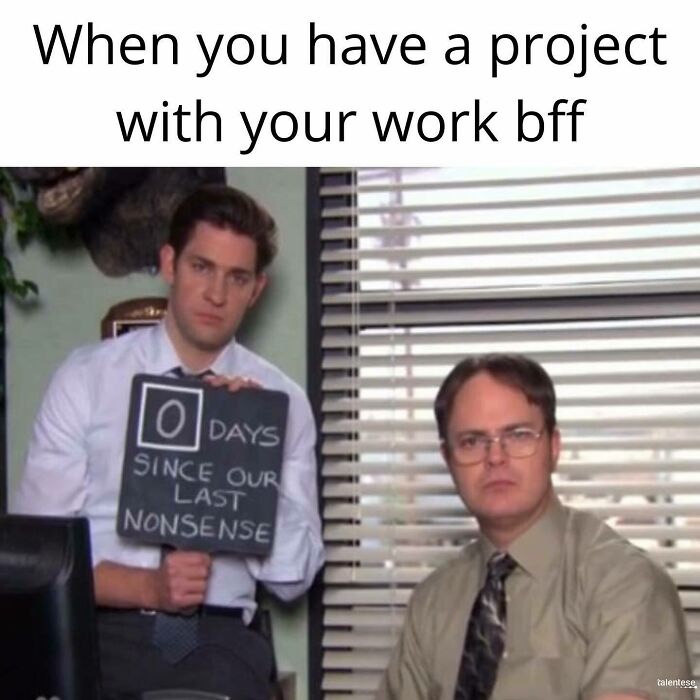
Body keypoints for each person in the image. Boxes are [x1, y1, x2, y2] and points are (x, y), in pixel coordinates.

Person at [13, 184, 324, 700]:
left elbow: (294, 579)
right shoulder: (86, 378)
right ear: (168, 264)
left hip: (220, 641)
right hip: (100, 630)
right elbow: (38, 562)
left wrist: (251, 455)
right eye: (202, 267)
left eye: (237, 277)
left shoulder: (282, 403)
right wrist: (149, 588)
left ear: (256, 290)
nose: (216, 294)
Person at [376, 353, 693, 700]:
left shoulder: (625, 582)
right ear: (448, 458)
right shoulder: (432, 600)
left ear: (553, 448)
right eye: (472, 441)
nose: (495, 457)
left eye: (518, 435)